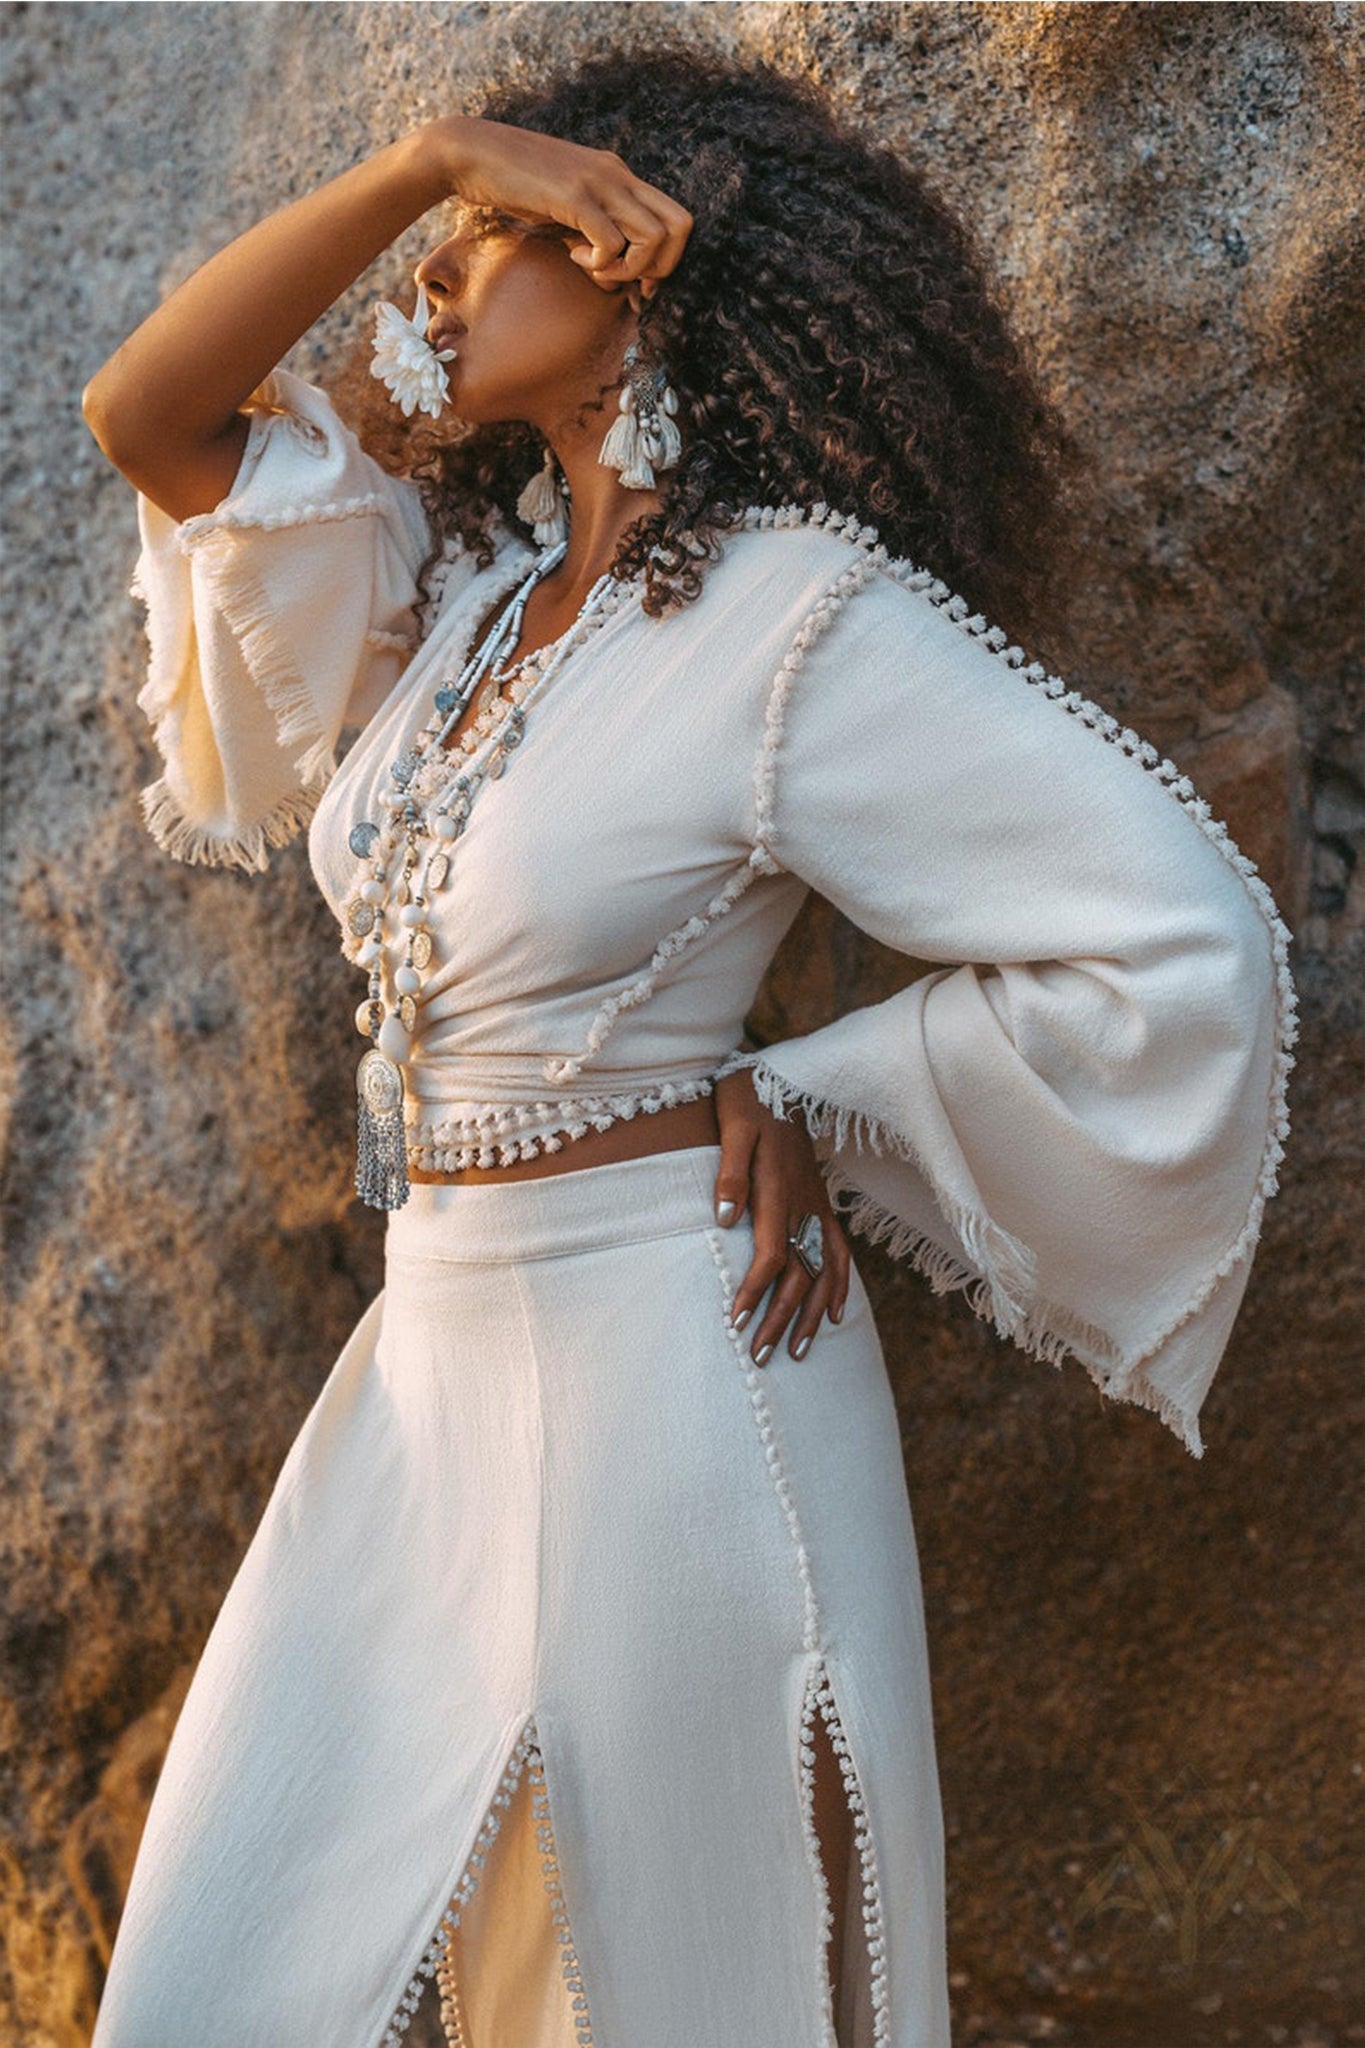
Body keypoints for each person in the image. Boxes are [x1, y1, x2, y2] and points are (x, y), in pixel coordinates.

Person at [80, 41, 1295, 2048]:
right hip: (425, 1365)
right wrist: (419, 165)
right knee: (226, 1966)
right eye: (447, 247)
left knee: (648, 1982)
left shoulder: (789, 627)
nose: (439, 286)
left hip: (669, 1376)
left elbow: (1171, 933)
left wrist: (816, 1090)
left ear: (640, 256)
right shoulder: (458, 601)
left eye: (493, 243)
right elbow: (156, 413)